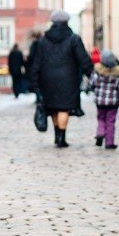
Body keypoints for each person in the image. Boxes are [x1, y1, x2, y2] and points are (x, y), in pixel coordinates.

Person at [28, 10, 93, 148]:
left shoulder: (43, 40)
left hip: (47, 79)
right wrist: (91, 75)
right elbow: (83, 59)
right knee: (64, 108)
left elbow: (36, 63)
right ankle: (61, 138)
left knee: (53, 107)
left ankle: (57, 134)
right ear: (67, 21)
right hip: (68, 79)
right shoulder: (74, 38)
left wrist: (34, 81)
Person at [90, 49, 119, 149]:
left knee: (101, 119)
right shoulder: (118, 74)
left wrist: (96, 89)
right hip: (113, 102)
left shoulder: (97, 71)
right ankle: (109, 143)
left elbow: (92, 83)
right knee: (110, 121)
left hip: (100, 101)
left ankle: (100, 133)